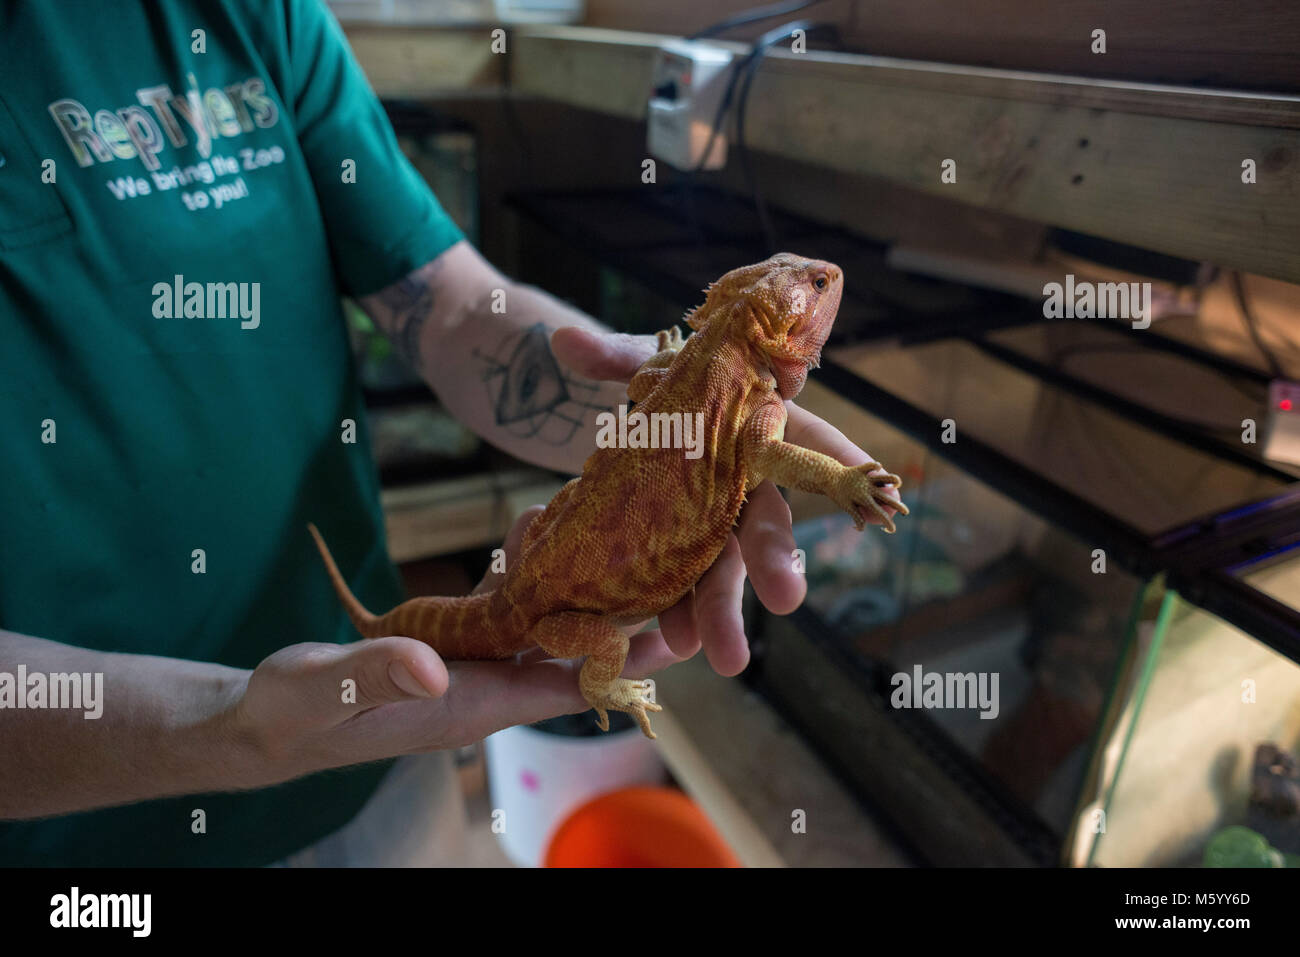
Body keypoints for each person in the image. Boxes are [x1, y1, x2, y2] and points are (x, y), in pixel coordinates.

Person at [0, 0, 893, 866]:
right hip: (78, 831)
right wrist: (225, 731)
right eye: (811, 284)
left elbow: (456, 307)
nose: (825, 284)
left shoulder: (253, 10)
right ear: (775, 324)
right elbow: (768, 451)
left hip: (381, 731)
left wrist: (654, 425)